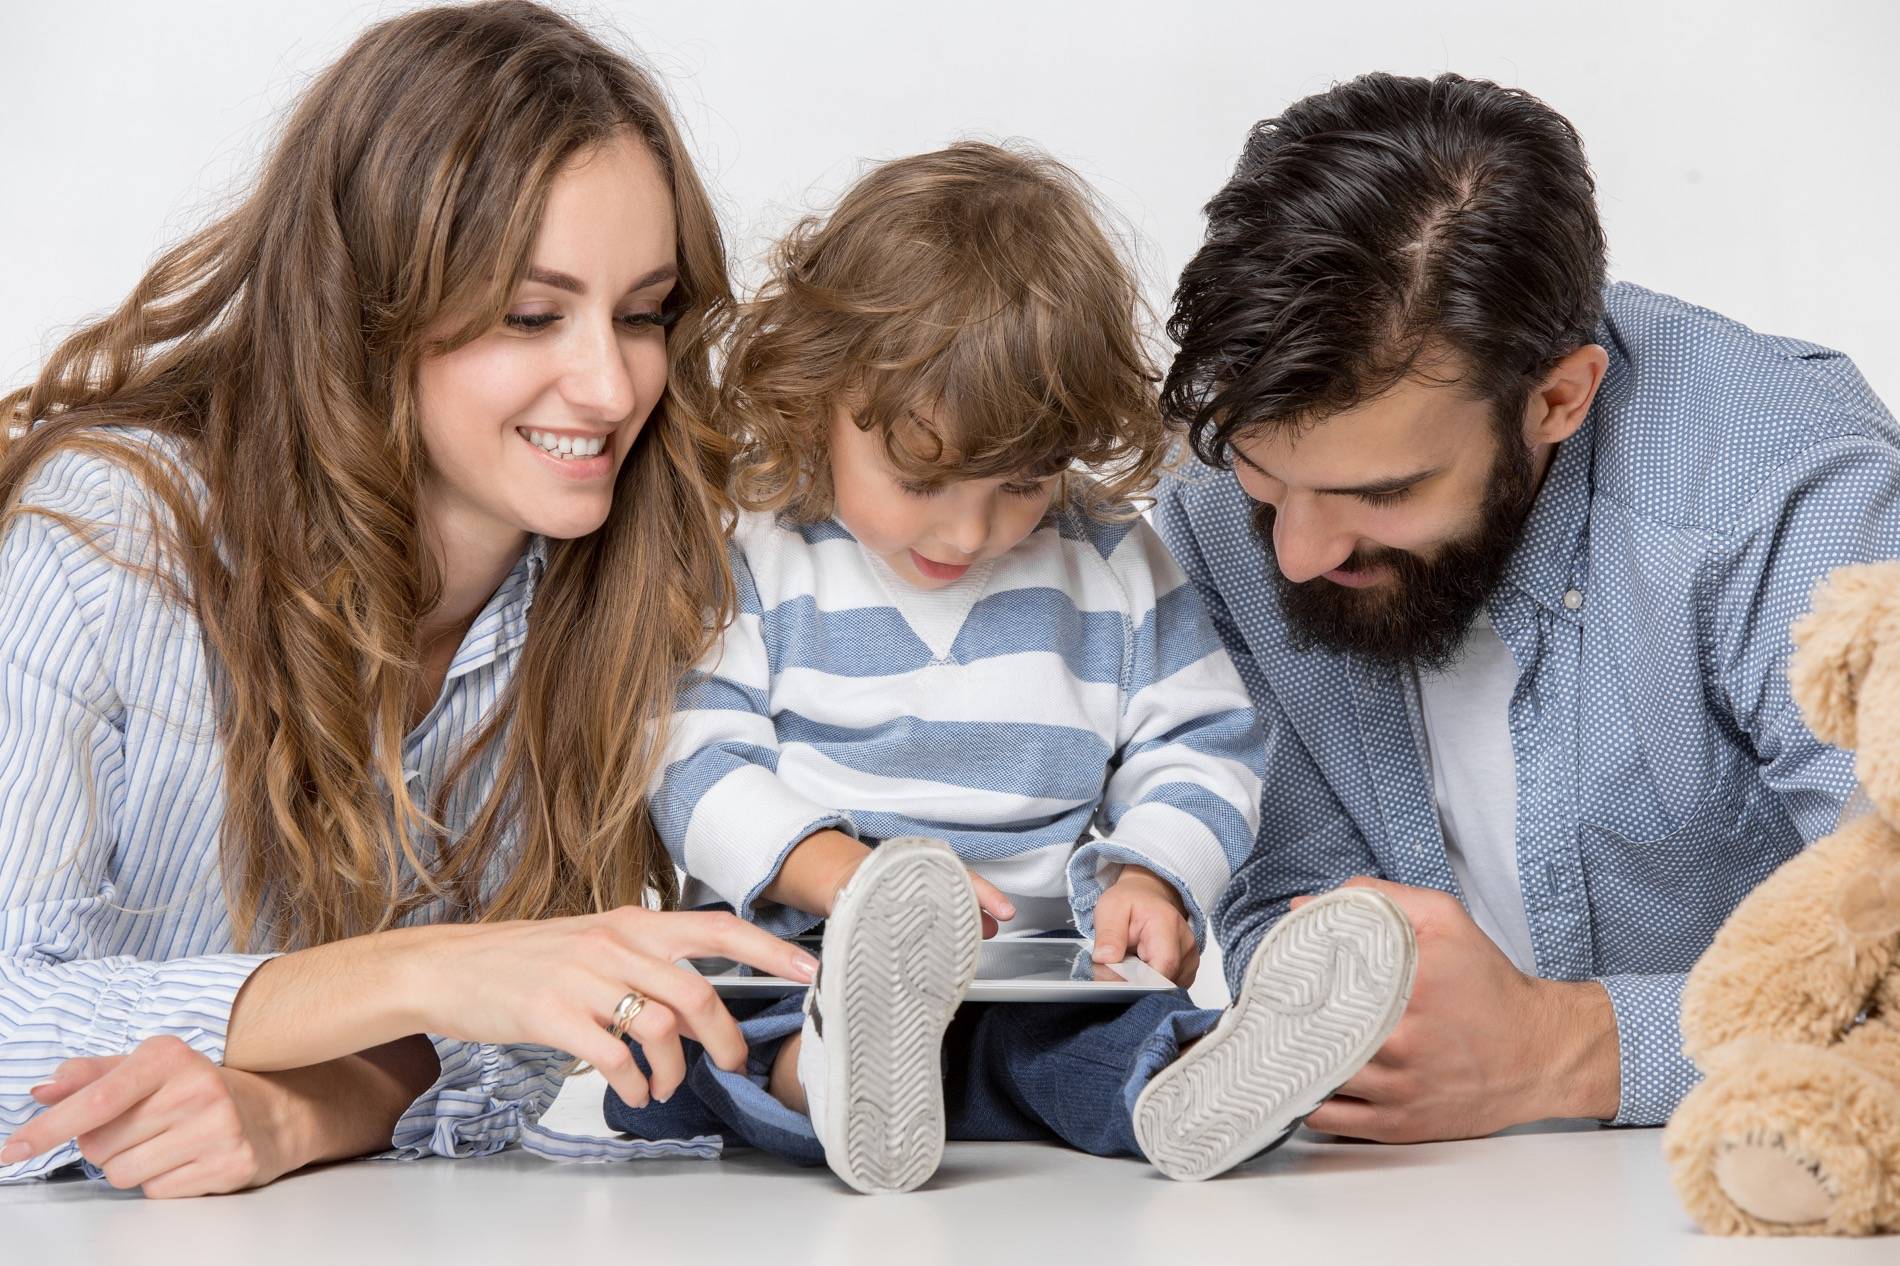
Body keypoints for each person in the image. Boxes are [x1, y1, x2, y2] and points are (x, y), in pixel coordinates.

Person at [0, 1, 820, 1196]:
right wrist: (424, 972)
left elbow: (536, 1030)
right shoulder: (106, 538)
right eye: (530, 315)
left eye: (643, 313)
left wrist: (310, 1105)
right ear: (368, 309)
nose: (607, 384)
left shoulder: (614, 581)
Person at [607, 142, 1417, 1193]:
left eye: (1025, 482)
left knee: (1094, 1048)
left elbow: (1203, 743)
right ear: (820, 395)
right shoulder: (759, 553)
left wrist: (1153, 874)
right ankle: (833, 1069)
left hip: (1033, 983)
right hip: (802, 963)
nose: (972, 528)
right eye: (921, 473)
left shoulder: (1113, 564)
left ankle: (1198, 1087)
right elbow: (692, 755)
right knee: (680, 1058)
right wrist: (842, 880)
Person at [1155, 71, 1900, 1140]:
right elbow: (1283, 892)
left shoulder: (1787, 493)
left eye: (1381, 493)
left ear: (1559, 397)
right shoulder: (1210, 498)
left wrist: (1567, 1053)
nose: (1300, 552)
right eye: (1266, 481)